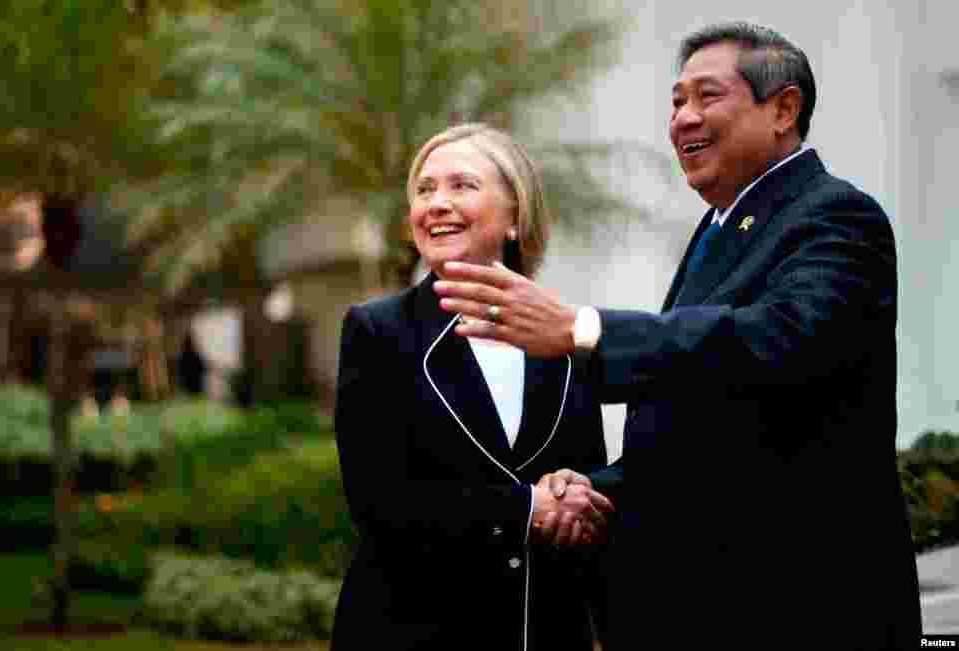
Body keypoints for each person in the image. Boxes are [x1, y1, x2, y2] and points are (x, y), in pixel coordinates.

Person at [433, 22, 922, 650]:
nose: (683, 118)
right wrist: (590, 492)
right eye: (675, 102)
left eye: (706, 96)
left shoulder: (836, 216)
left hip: (800, 603)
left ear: (783, 109)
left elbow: (776, 344)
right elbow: (700, 420)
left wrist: (584, 329)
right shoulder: (724, 224)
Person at [331, 123, 614, 650]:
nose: (436, 203)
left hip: (543, 631)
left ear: (515, 216)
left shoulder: (564, 334)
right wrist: (525, 509)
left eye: (461, 185)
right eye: (424, 190)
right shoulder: (378, 333)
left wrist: (574, 491)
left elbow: (587, 483)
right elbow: (379, 501)